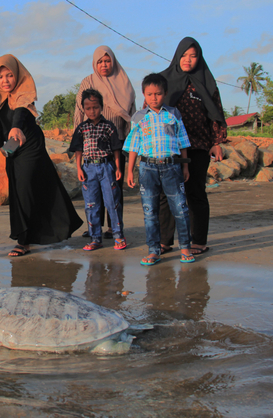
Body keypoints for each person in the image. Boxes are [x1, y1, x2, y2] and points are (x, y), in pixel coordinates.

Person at [0, 54, 83, 257]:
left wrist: (15, 128)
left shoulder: (23, 94)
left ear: (18, 75)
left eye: (9, 75)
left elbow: (20, 114)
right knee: (23, 190)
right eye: (0, 77)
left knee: (25, 190)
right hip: (13, 148)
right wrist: (3, 148)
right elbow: (1, 125)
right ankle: (52, 227)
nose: (5, 81)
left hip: (30, 146)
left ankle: (23, 241)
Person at [158, 37, 227, 255]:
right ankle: (164, 240)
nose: (188, 60)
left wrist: (216, 142)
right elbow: (151, 109)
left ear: (199, 58)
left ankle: (198, 240)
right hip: (169, 146)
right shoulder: (163, 80)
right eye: (184, 55)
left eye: (193, 55)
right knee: (165, 193)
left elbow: (215, 112)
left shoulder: (207, 82)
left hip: (198, 144)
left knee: (195, 191)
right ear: (177, 56)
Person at [124, 73, 195, 265]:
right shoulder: (138, 117)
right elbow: (133, 146)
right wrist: (130, 171)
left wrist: (185, 165)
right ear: (143, 95)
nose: (154, 98)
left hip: (172, 167)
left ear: (165, 93)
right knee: (150, 211)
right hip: (147, 169)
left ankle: (186, 247)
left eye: (158, 94)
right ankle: (153, 250)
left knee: (180, 208)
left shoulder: (173, 114)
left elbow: (182, 141)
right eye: (149, 94)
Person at [74, 46, 136, 239]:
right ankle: (96, 227)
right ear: (94, 63)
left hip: (117, 143)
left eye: (107, 61)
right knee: (95, 190)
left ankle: (114, 227)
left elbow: (132, 113)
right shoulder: (88, 82)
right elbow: (79, 109)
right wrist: (78, 138)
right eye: (100, 61)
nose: (104, 65)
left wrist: (132, 138)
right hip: (91, 143)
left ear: (114, 62)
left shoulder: (124, 82)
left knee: (115, 187)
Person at [69, 89, 125, 251]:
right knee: (91, 204)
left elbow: (116, 148)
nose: (92, 111)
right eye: (88, 108)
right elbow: (78, 150)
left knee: (112, 202)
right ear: (83, 109)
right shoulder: (82, 128)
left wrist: (118, 168)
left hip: (106, 167)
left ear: (101, 107)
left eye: (95, 107)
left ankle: (118, 236)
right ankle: (95, 238)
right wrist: (79, 168)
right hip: (88, 169)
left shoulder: (109, 126)